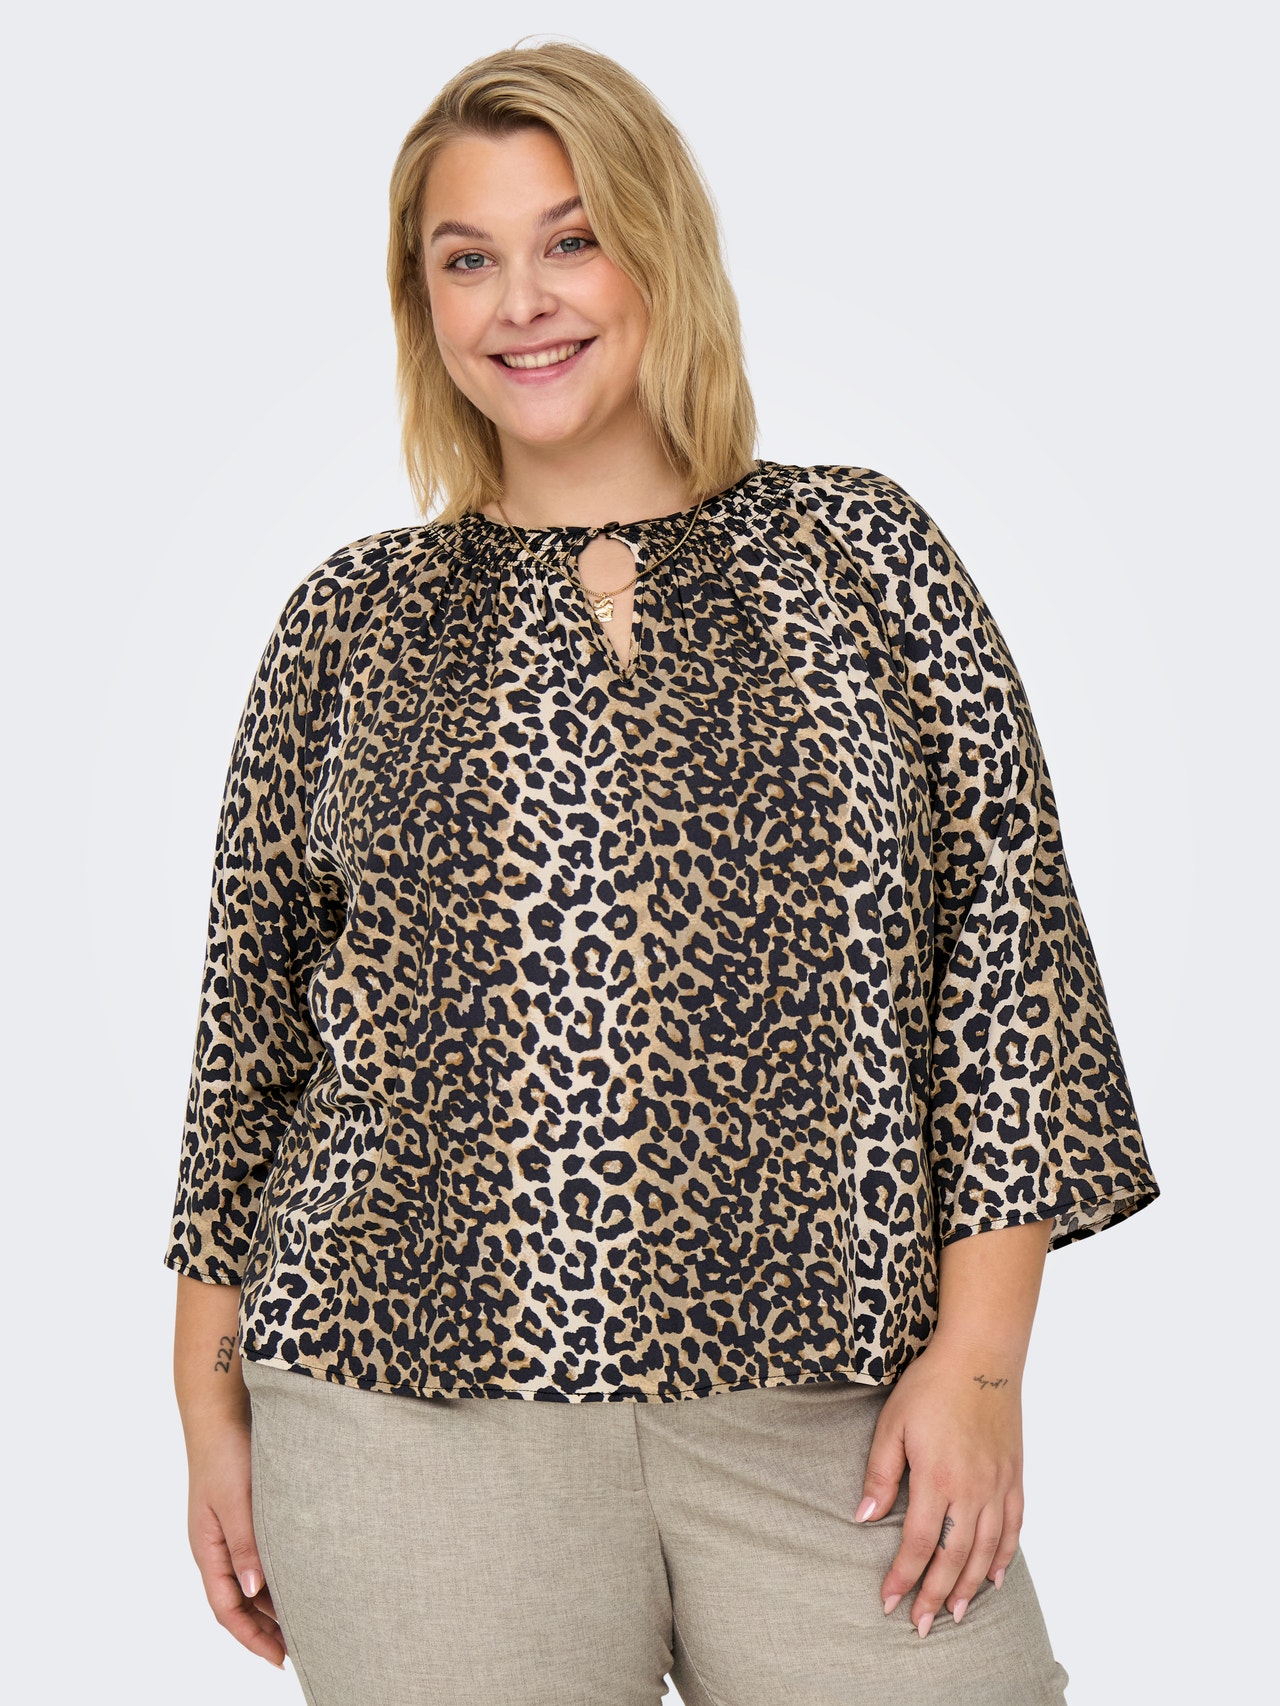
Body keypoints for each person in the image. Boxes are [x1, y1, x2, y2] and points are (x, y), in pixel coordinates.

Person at [167, 40, 1159, 1706]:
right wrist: (207, 1403)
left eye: (570, 239)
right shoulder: (348, 619)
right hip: (409, 1409)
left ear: (658, 248)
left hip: (835, 1404)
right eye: (466, 259)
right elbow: (246, 1047)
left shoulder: (868, 555)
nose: (521, 302)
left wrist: (982, 1367)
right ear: (423, 304)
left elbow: (1008, 976)